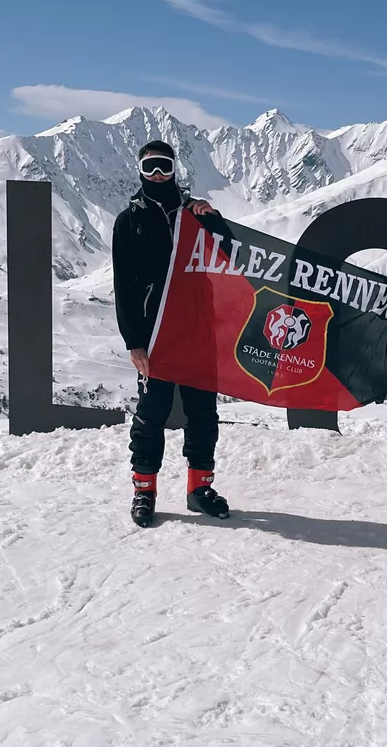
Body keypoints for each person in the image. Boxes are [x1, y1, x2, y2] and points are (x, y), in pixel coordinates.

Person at [112, 140, 229, 527]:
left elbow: (229, 255)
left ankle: (200, 489)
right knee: (151, 415)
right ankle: (144, 492)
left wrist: (212, 218)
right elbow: (124, 287)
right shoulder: (128, 221)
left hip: (198, 331)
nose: (158, 175)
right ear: (140, 171)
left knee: (202, 413)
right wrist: (134, 341)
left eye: (164, 166)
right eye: (150, 168)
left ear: (175, 168)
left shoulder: (194, 213)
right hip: (156, 335)